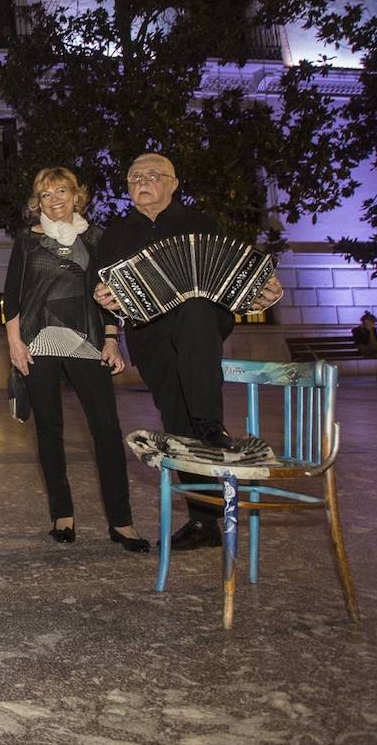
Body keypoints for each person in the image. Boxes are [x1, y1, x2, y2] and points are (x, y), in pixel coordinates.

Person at [93, 153, 283, 551]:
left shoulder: (202, 224)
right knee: (179, 427)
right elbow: (106, 295)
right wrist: (105, 302)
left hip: (200, 331)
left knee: (195, 308)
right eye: (134, 177)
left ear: (173, 183)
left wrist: (266, 292)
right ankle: (204, 521)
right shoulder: (114, 235)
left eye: (152, 175)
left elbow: (236, 277)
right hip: (151, 338)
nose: (142, 182)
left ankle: (212, 425)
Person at [5, 167, 148, 553]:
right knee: (49, 430)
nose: (55, 199)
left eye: (62, 191)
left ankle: (122, 523)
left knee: (106, 430)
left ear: (76, 196)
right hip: (39, 342)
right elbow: (12, 298)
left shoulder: (97, 238)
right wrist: (15, 344)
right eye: (47, 193)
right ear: (38, 201)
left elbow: (109, 294)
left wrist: (113, 339)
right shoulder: (26, 240)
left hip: (87, 342)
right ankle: (62, 515)